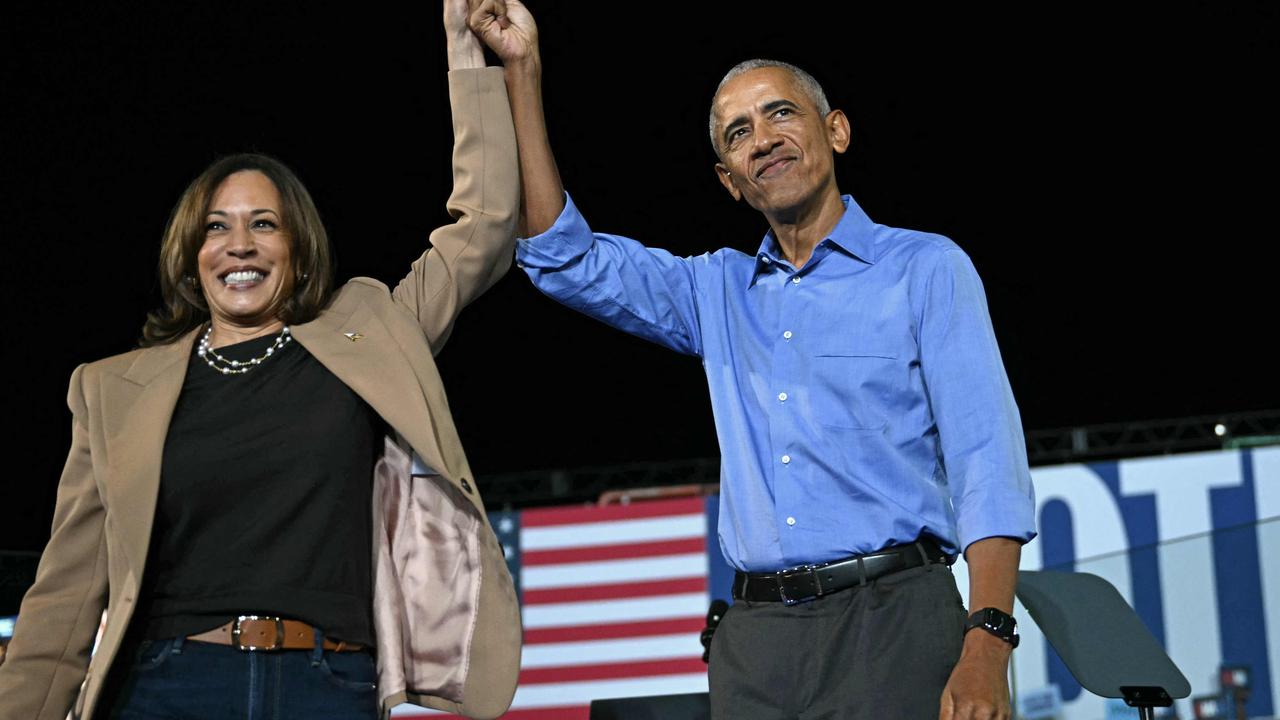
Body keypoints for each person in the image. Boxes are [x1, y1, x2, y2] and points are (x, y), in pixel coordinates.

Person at [475, 4, 1037, 716]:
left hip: (893, 621)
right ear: (728, 179)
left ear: (836, 130)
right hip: (757, 644)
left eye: (780, 115)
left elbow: (987, 463)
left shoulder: (925, 268)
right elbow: (563, 256)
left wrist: (988, 639)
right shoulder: (716, 290)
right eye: (738, 134)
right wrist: (521, 73)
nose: (762, 139)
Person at [0, 2, 536, 718]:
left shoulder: (370, 333)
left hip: (329, 684)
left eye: (264, 224)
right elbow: (66, 594)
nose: (241, 245)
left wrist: (465, 54)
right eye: (217, 229)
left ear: (298, 246)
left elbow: (486, 226)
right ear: (192, 260)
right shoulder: (110, 390)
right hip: (166, 685)